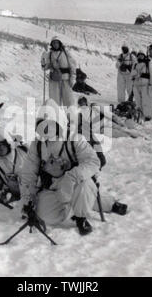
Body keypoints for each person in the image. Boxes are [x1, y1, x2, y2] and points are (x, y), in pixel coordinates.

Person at [20, 99, 127, 236]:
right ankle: (74, 208)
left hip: (79, 181)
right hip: (53, 186)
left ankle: (83, 217)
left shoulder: (75, 139)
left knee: (83, 190)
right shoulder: (38, 145)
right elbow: (29, 173)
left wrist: (71, 176)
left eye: (51, 125)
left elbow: (93, 162)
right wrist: (27, 200)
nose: (47, 130)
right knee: (45, 215)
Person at [0, 130, 28, 203]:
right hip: (18, 199)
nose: (1, 148)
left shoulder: (24, 153)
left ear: (8, 143)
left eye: (3, 144)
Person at [41, 36, 77, 106]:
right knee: (54, 102)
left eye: (57, 43)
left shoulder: (66, 53)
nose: (55, 44)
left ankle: (70, 116)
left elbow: (73, 66)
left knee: (69, 101)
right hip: (54, 80)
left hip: (66, 80)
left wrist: (72, 78)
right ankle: (56, 115)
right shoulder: (49, 54)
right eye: (54, 43)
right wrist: (43, 63)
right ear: (52, 44)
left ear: (60, 43)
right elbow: (45, 67)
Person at [130, 51, 152, 121]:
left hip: (146, 86)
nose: (140, 56)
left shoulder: (148, 64)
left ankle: (148, 116)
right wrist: (134, 75)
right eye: (139, 55)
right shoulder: (135, 64)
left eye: (141, 55)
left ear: (144, 56)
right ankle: (140, 115)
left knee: (147, 101)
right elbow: (131, 76)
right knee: (138, 101)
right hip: (136, 86)